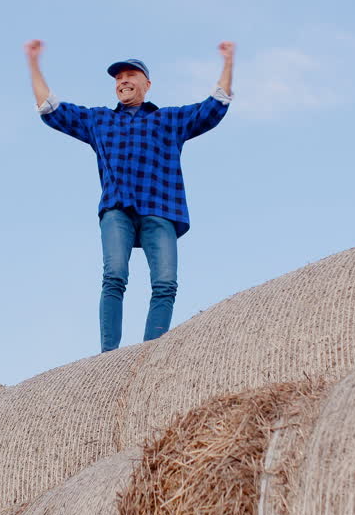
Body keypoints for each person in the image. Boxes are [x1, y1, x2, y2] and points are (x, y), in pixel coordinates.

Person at [24, 39, 236, 352]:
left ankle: (150, 354)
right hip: (117, 209)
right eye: (118, 77)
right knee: (114, 277)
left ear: (146, 84)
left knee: (165, 284)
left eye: (130, 75)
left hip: (160, 208)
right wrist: (33, 64)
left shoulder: (168, 120)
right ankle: (108, 358)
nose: (123, 80)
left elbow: (214, 107)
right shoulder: (99, 120)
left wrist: (228, 62)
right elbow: (51, 109)